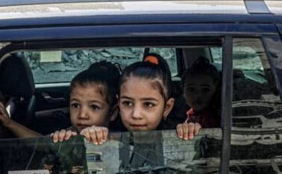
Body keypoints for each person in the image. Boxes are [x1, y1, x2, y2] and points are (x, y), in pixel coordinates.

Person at [67, 54, 201, 144]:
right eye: (127, 103)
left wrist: (189, 131)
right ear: (118, 104)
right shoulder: (109, 137)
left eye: (148, 104)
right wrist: (92, 135)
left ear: (166, 108)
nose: (136, 114)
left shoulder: (174, 134)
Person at [182, 57, 221, 128]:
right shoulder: (191, 113)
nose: (197, 95)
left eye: (205, 89)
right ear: (183, 92)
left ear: (216, 91)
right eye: (191, 89)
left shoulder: (213, 119)